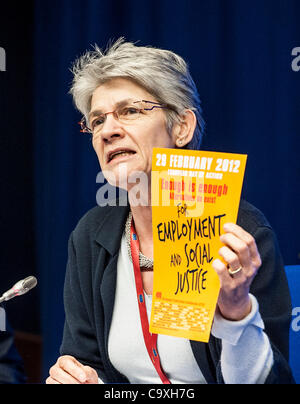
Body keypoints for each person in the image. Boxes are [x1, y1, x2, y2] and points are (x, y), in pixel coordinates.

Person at [46, 39, 294, 384]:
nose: (108, 131)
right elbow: (87, 360)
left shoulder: (240, 231)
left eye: (130, 111)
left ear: (181, 128)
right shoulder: (91, 235)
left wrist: (237, 314)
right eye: (97, 120)